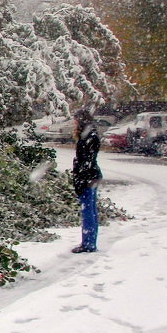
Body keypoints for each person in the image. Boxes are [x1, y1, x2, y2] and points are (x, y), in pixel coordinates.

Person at [71, 108, 102, 253]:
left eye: (76, 119)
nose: (74, 121)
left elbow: (87, 160)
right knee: (90, 210)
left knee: (88, 211)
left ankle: (89, 243)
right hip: (92, 175)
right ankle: (89, 241)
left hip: (88, 177)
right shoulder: (90, 134)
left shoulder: (89, 137)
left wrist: (81, 178)